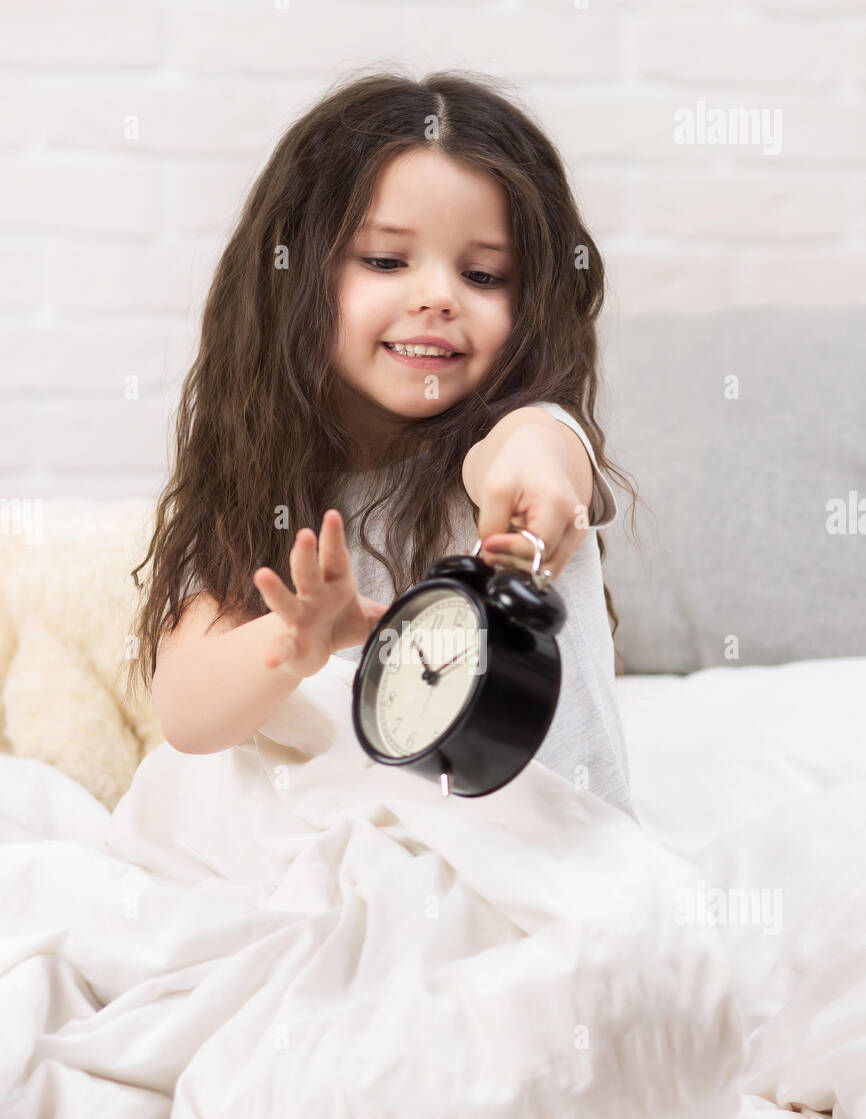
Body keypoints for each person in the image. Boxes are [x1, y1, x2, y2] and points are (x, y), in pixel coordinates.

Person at [126, 70, 639, 820]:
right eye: (385, 261)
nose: (436, 297)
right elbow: (187, 714)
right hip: (361, 857)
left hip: (542, 861)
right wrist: (291, 642)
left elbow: (533, 452)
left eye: (483, 274)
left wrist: (537, 475)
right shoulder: (259, 494)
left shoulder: (518, 444)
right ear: (293, 276)